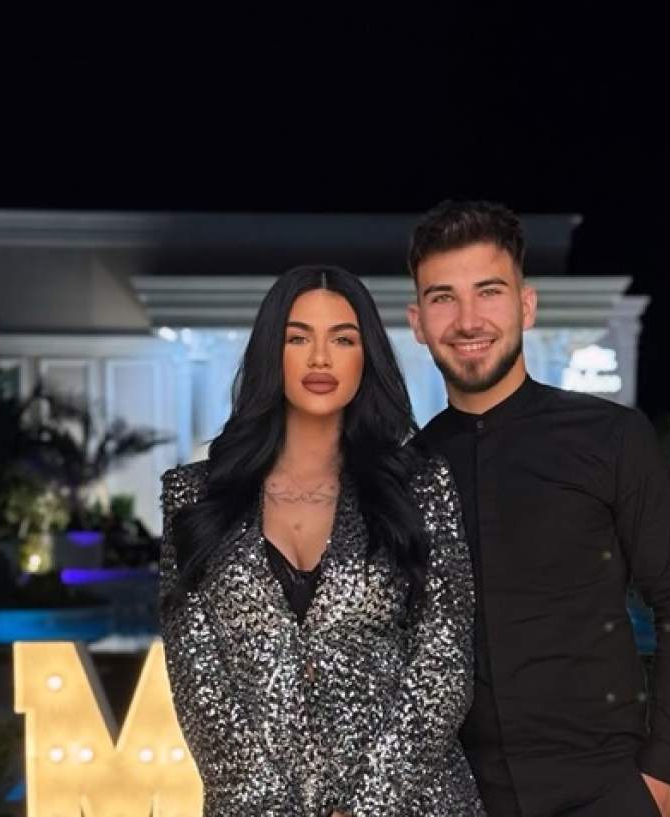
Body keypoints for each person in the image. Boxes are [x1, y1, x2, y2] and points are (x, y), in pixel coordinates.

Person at [408, 201, 670, 817]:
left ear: (526, 306)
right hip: (456, 796)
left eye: (489, 292)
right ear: (418, 322)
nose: (468, 320)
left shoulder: (612, 438)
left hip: (606, 790)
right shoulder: (407, 471)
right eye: (444, 298)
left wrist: (662, 773)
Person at [158, 266, 485, 817]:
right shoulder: (193, 496)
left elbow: (444, 663)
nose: (320, 358)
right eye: (298, 338)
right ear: (271, 353)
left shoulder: (420, 487)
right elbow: (197, 678)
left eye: (342, 339)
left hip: (414, 804)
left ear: (366, 357)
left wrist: (367, 807)